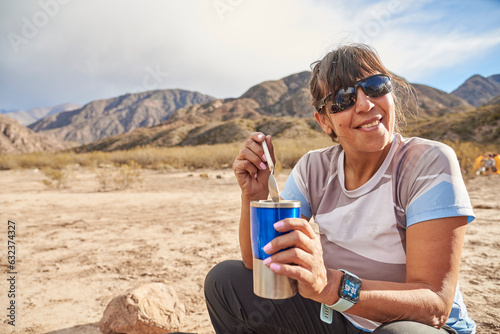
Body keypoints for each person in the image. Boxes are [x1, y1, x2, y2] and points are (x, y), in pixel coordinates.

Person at [204, 44, 476, 334]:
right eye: (342, 99)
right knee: (226, 282)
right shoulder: (314, 168)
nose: (365, 104)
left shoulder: (427, 162)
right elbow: (258, 262)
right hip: (340, 317)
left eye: (374, 86)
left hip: (414, 325)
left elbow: (435, 306)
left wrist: (330, 286)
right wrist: (255, 198)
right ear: (324, 121)